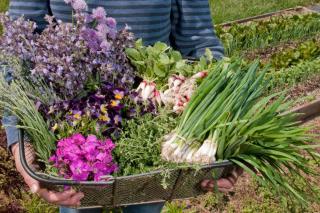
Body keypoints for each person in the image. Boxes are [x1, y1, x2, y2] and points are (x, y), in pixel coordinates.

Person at [3, 0, 243, 212]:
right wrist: (21, 145)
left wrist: (229, 137)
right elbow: (16, 52)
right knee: (78, 205)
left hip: (155, 126)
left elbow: (199, 43)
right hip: (71, 130)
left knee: (146, 206)